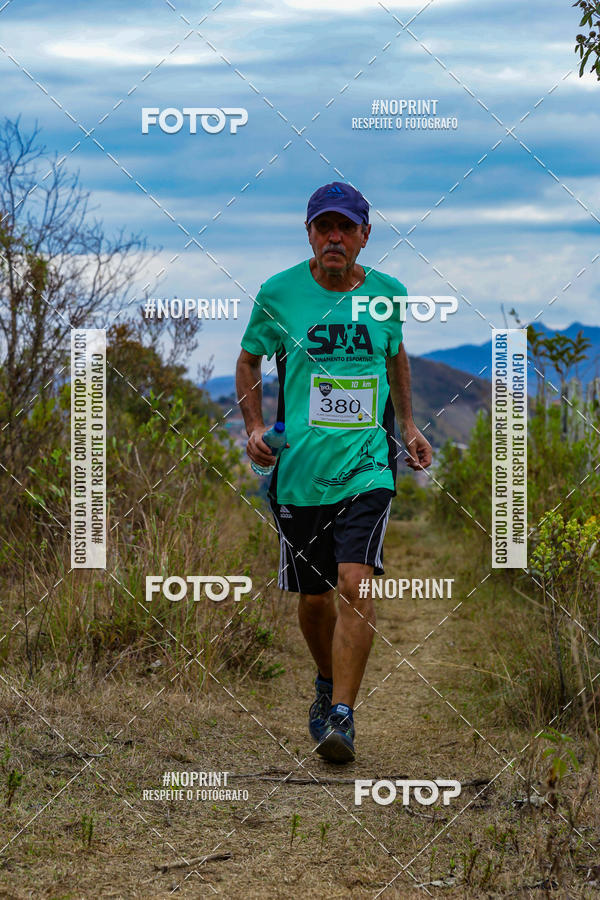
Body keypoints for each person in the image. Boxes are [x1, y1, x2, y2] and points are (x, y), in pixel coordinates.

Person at [236, 181, 432, 763]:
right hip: (297, 472)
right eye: (325, 227)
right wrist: (252, 428)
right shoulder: (279, 294)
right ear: (309, 234)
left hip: (367, 465)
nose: (335, 238)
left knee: (354, 583)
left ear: (365, 236)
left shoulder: (388, 296)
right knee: (315, 597)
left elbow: (395, 353)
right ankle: (326, 682)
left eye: (346, 228)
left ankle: (342, 714)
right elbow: (247, 360)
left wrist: (411, 425)